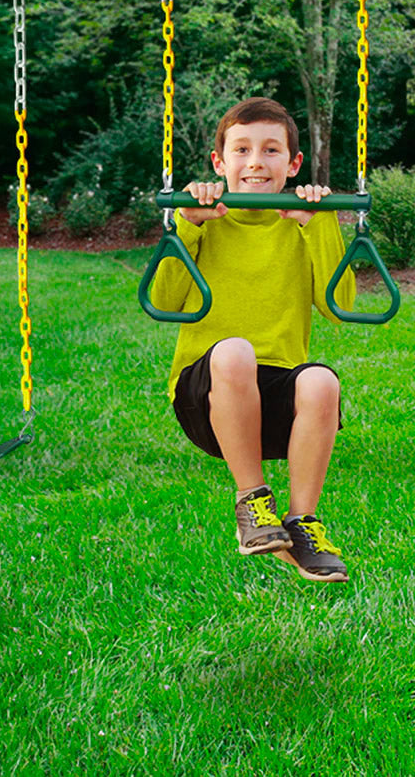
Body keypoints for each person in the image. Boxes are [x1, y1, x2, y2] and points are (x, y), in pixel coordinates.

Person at [150, 97, 356, 583]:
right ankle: (252, 502)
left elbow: (340, 305)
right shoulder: (203, 217)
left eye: (270, 150)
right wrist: (189, 223)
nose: (256, 162)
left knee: (323, 381)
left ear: (294, 163)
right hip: (208, 401)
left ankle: (302, 522)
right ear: (220, 163)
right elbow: (165, 299)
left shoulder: (303, 223)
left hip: (276, 404)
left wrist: (320, 222)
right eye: (241, 150)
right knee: (235, 350)